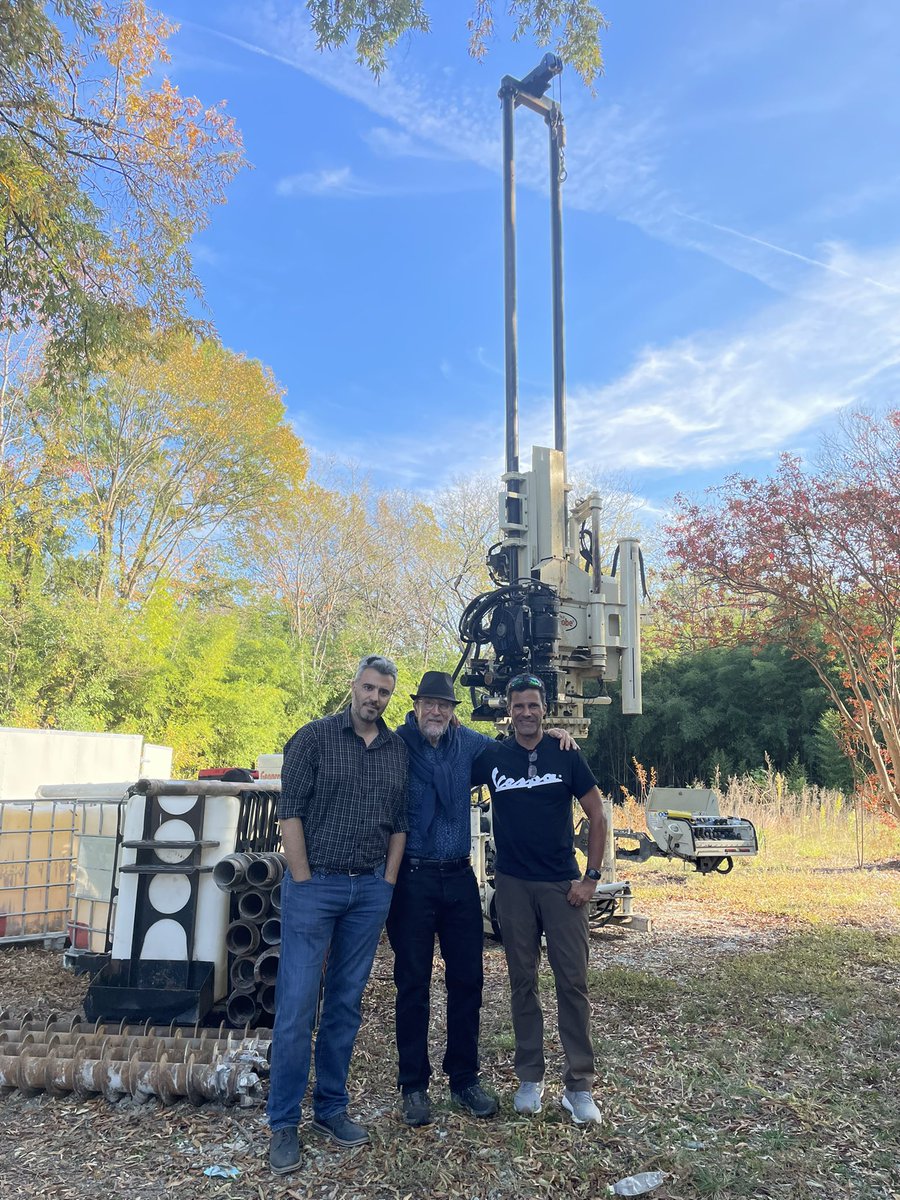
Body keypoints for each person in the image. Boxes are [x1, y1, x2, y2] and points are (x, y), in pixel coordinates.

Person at [386, 670, 576, 1128]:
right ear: (415, 707)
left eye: (444, 705)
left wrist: (550, 734)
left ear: (453, 711)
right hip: (412, 878)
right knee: (412, 983)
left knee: (468, 981)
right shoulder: (395, 746)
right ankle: (414, 1086)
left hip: (458, 878)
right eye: (428, 703)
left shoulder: (473, 745)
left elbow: (519, 745)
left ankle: (464, 1078)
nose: (436, 711)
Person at [267, 654, 408, 1176]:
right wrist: (302, 880)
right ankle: (283, 1123)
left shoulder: (397, 751)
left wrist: (387, 883)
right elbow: (291, 812)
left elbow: (401, 822)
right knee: (297, 1007)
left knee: (345, 1005)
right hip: (316, 886)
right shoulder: (313, 738)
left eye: (384, 692)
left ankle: (330, 1108)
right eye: (369, 688)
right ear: (354, 686)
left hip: (368, 890)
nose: (375, 698)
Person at [471, 672, 608, 1125]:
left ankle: (579, 1086)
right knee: (522, 981)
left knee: (572, 982)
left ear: (545, 709)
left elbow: (597, 812)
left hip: (561, 886)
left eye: (533, 705)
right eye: (518, 706)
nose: (526, 713)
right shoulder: (493, 755)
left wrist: (590, 878)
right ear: (507, 710)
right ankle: (530, 1076)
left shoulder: (564, 752)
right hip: (512, 885)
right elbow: (447, 749)